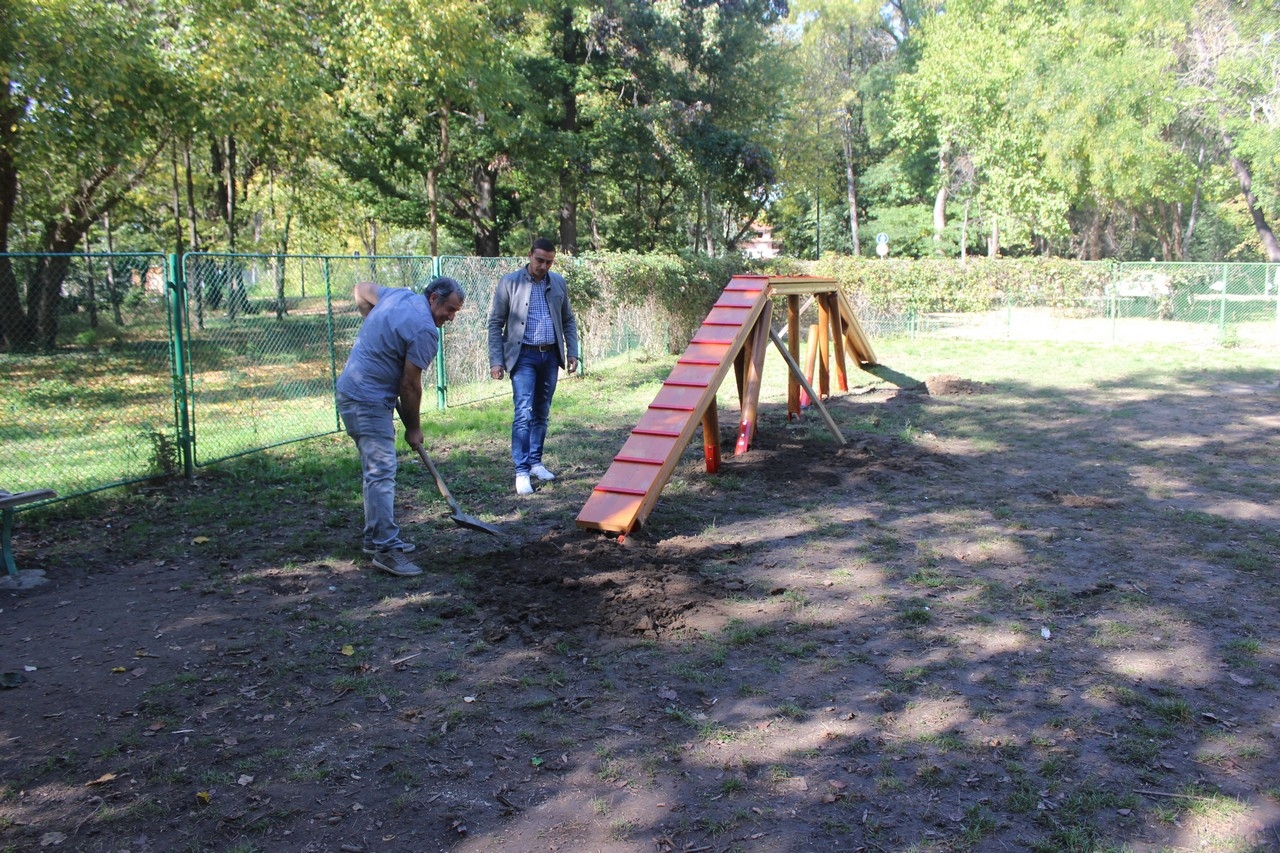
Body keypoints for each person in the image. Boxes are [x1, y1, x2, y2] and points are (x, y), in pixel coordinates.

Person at [336, 277, 465, 577]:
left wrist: (375, 328)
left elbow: (360, 289)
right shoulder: (424, 330)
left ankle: (374, 538)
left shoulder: (399, 297)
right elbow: (409, 386)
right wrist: (413, 428)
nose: (451, 316)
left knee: (374, 472)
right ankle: (386, 550)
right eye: (449, 309)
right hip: (366, 400)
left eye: (456, 311)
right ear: (433, 298)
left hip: (352, 391)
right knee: (381, 472)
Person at [487, 237, 579, 495]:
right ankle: (521, 471)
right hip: (523, 357)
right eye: (539, 260)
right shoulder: (509, 282)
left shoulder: (557, 282)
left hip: (550, 355)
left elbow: (568, 320)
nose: (543, 266)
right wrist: (496, 360)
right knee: (524, 412)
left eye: (549, 262)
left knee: (542, 412)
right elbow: (495, 323)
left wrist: (573, 351)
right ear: (529, 256)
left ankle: (536, 462)